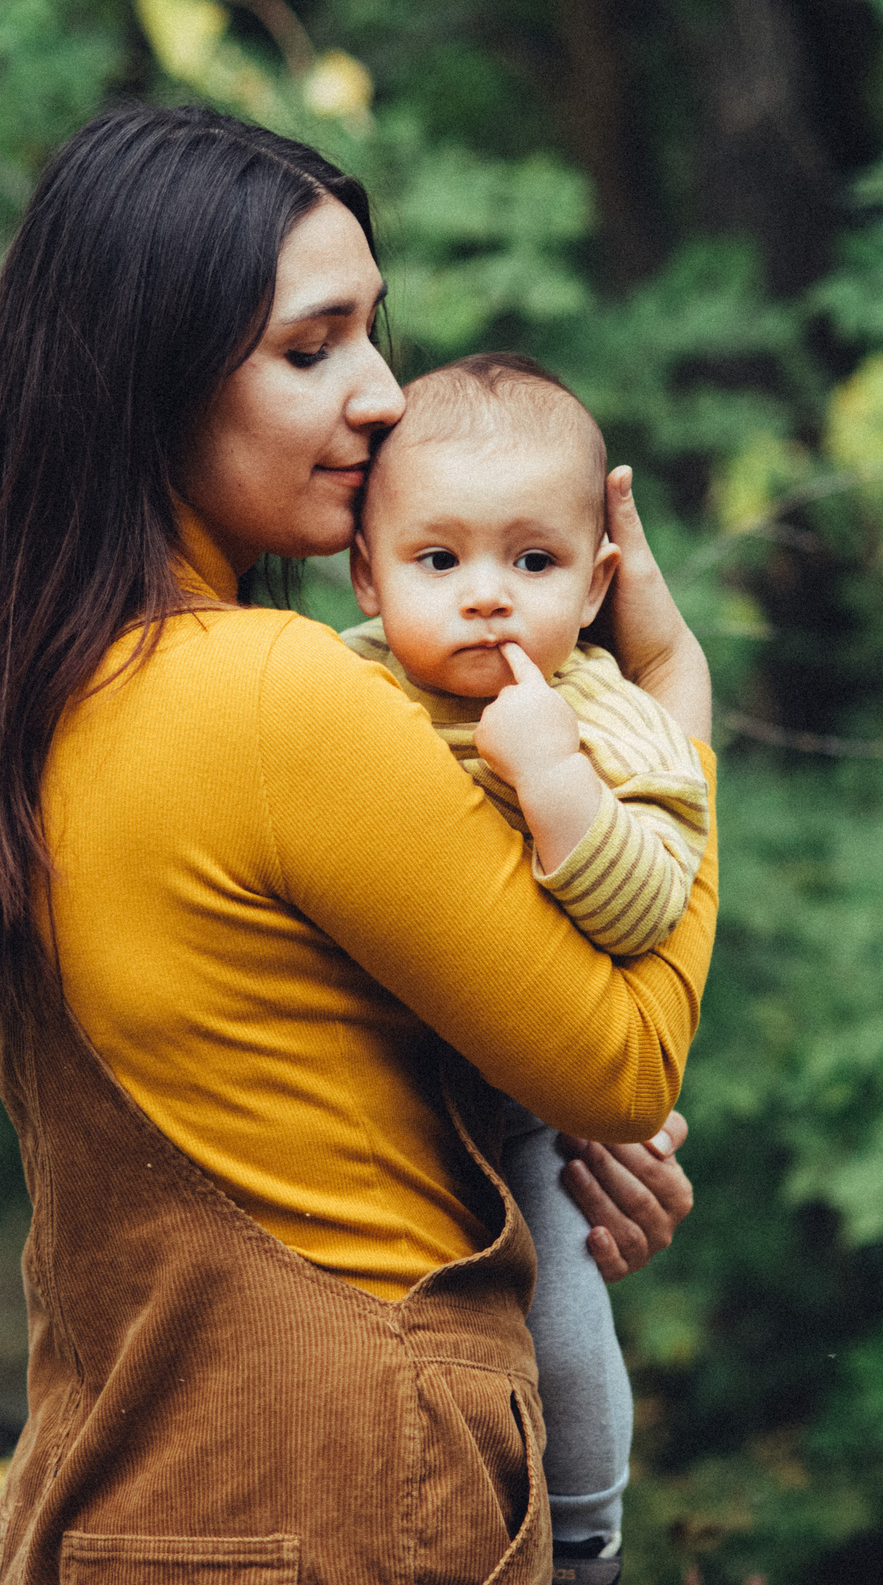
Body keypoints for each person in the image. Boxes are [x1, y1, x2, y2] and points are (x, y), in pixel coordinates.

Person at [0, 100, 715, 1585]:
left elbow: (277, 1096)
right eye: (312, 346)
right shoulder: (270, 692)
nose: (387, 395)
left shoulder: (35, 688)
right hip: (341, 1503)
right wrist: (672, 716)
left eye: (375, 334)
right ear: (153, 377)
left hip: (117, 1502)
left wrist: (529, 1164)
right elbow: (630, 1057)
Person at [340, 352, 712, 1569]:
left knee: (564, 1336)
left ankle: (588, 1535)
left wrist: (553, 780)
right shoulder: (339, 698)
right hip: (378, 1111)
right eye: (438, 560)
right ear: (367, 572)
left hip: (526, 1119)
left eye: (533, 561)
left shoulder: (604, 718)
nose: (487, 596)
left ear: (600, 581)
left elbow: (658, 897)